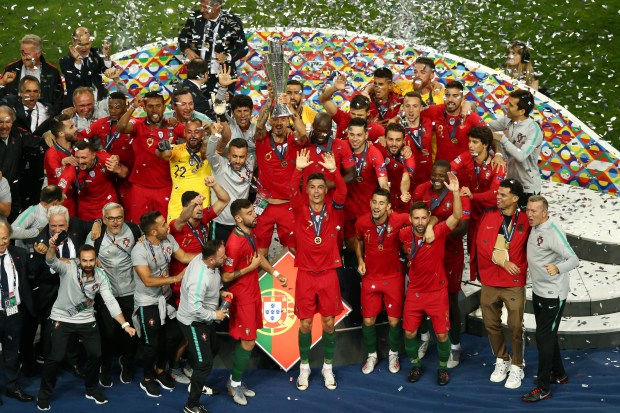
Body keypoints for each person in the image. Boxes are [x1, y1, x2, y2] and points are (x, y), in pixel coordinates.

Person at [34, 241, 136, 410]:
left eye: (91, 260)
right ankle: (44, 393)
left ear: (96, 260)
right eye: (84, 260)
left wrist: (125, 324)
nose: (88, 264)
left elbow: (110, 301)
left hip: (86, 319)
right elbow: (51, 261)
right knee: (56, 357)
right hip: (62, 318)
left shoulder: (101, 276)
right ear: (78, 260)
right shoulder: (68, 268)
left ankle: (91, 388)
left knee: (96, 355)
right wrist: (52, 248)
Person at [221, 199, 287, 405]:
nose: (254, 215)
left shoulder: (249, 234)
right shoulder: (233, 243)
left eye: (253, 211)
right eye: (249, 213)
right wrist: (252, 268)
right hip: (242, 299)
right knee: (248, 341)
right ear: (238, 218)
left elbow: (258, 257)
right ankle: (234, 383)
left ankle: (237, 381)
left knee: (249, 340)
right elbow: (226, 277)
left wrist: (276, 273)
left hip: (253, 294)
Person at [290, 149, 346, 391]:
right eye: (311, 187)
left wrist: (334, 171)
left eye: (319, 187)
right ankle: (304, 368)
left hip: (328, 274)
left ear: (325, 190)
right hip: (305, 274)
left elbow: (342, 191)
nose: (315, 191)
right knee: (304, 324)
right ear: (308, 190)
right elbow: (292, 191)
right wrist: (298, 170)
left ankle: (327, 367)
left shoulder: (333, 210)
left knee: (329, 322)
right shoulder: (300, 209)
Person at [399, 172, 462, 386]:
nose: (419, 222)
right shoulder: (404, 235)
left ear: (428, 217)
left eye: (423, 218)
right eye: (415, 218)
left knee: (442, 336)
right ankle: (415, 365)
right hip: (415, 293)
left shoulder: (438, 231)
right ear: (410, 219)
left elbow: (456, 217)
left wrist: (455, 194)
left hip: (437, 292)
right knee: (409, 331)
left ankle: (442, 369)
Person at [167, 180, 230, 385]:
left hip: (205, 284)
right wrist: (207, 259)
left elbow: (225, 199)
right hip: (182, 287)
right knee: (187, 333)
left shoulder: (203, 220)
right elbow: (183, 256)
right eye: (195, 207)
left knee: (201, 332)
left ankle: (188, 363)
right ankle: (174, 367)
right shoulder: (177, 226)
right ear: (186, 208)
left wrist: (213, 185)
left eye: (201, 206)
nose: (200, 210)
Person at [472, 179, 530, 390]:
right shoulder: (488, 215)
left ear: (515, 198)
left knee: (515, 326)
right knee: (491, 324)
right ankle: (502, 359)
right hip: (490, 279)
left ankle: (517, 364)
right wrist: (503, 261)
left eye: (503, 195)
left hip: (513, 282)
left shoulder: (525, 219)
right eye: (498, 193)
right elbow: (481, 245)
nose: (498, 197)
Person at [131, 211, 196, 398]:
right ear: (152, 231)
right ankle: (147, 378)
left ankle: (160, 370)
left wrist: (206, 256)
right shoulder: (139, 250)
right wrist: (175, 278)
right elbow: (147, 281)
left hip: (165, 298)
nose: (167, 226)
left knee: (174, 335)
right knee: (152, 343)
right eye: (163, 224)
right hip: (147, 302)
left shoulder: (168, 239)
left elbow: (183, 257)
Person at [521, 195, 579, 402]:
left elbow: (574, 259)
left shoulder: (553, 231)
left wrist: (558, 267)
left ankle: (543, 387)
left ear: (545, 212)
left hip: (553, 295)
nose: (529, 214)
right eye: (528, 210)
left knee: (544, 338)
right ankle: (559, 374)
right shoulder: (535, 225)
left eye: (534, 211)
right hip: (539, 290)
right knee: (547, 335)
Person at [413, 160, 471, 367]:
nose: (437, 179)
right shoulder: (421, 189)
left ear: (449, 176)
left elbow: (463, 227)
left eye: (441, 175)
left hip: (450, 253)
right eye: (434, 175)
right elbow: (415, 219)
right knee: (420, 296)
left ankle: (455, 346)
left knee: (451, 298)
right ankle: (424, 338)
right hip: (425, 253)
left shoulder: (460, 195)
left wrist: (437, 230)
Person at [354, 189, 410, 375]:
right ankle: (372, 355)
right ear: (370, 203)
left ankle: (393, 354)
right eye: (374, 202)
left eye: (381, 203)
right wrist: (360, 260)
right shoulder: (362, 222)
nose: (376, 207)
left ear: (389, 207)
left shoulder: (399, 219)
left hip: (393, 277)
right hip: (371, 277)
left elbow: (422, 219)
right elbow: (357, 240)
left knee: (394, 320)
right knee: (368, 320)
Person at [87, 202, 142, 387]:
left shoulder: (135, 231)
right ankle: (106, 366)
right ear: (104, 219)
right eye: (110, 218)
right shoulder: (96, 234)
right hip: (106, 293)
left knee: (131, 333)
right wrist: (94, 264)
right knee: (108, 334)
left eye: (119, 217)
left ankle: (127, 363)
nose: (115, 222)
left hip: (130, 290)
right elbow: (86, 258)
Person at [177, 240, 231, 413]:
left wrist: (221, 291)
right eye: (222, 257)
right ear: (211, 260)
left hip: (204, 319)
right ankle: (191, 405)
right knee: (204, 362)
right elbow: (195, 308)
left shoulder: (205, 259)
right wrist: (215, 315)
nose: (226, 258)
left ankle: (194, 378)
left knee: (213, 347)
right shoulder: (199, 279)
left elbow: (213, 283)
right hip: (194, 322)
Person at [116, 92, 185, 223]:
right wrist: (132, 107)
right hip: (140, 186)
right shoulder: (138, 124)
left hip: (165, 186)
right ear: (144, 107)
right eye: (150, 106)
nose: (154, 110)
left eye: (158, 106)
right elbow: (121, 127)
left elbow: (194, 137)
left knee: (164, 225)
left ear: (164, 108)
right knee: (139, 224)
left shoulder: (173, 126)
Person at [253, 96, 307, 256]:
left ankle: (292, 281)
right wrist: (270, 101)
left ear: (288, 120)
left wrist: (289, 106)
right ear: (270, 120)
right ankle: (258, 280)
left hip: (287, 204)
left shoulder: (294, 140)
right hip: (262, 203)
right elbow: (259, 125)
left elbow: (303, 135)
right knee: (258, 249)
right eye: (275, 119)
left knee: (292, 248)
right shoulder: (262, 139)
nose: (278, 123)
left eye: (282, 119)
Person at [178, 0, 248, 96]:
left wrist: (227, 57)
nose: (202, 10)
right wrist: (187, 50)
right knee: (196, 106)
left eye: (205, 7)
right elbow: (183, 37)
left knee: (221, 108)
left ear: (217, 5)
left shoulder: (232, 20)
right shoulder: (195, 17)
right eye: (201, 6)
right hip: (196, 74)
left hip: (222, 76)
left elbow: (243, 47)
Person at [0, 218, 35, 405]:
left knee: (13, 353)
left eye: (4, 238)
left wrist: (44, 255)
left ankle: (12, 387)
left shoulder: (19, 253)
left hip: (14, 313)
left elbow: (34, 274)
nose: (1, 242)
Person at [489, 89, 543, 208]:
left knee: (524, 224)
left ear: (522, 111)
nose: (506, 106)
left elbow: (521, 156)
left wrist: (502, 139)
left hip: (528, 187)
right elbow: (486, 127)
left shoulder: (533, 129)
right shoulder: (508, 120)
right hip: (511, 183)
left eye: (511, 105)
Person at [344, 118, 388, 249]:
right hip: (347, 210)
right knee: (350, 246)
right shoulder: (342, 148)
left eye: (359, 135)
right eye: (352, 135)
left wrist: (384, 208)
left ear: (366, 135)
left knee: (368, 246)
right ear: (347, 134)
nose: (355, 139)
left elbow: (384, 184)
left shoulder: (374, 153)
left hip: (367, 210)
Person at [156, 118, 212, 222]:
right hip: (178, 206)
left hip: (201, 204)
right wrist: (161, 148)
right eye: (189, 132)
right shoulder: (177, 149)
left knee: (199, 237)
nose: (193, 135)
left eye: (197, 132)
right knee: (175, 236)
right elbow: (163, 155)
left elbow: (224, 141)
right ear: (185, 133)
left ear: (203, 133)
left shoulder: (208, 150)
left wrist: (213, 132)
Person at [57, 140, 128, 221]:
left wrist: (118, 169)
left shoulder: (105, 159)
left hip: (109, 207)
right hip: (86, 212)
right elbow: (59, 190)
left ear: (93, 155)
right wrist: (60, 194)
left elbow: (125, 173)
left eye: (84, 157)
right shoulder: (72, 167)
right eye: (77, 157)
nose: (80, 161)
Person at [0, 34, 63, 116]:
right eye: (23, 54)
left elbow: (58, 100)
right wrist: (2, 83)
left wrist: (48, 117)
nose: (24, 58)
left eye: (28, 54)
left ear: (39, 53)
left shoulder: (52, 72)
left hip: (43, 120)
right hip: (15, 121)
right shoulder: (11, 69)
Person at [423, 80, 486, 164]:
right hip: (440, 169)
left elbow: (489, 135)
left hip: (464, 171)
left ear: (462, 98)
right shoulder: (434, 110)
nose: (450, 99)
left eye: (455, 96)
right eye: (447, 95)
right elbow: (414, 111)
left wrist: (498, 154)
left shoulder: (470, 116)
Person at [206, 137, 255, 242]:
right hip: (220, 223)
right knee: (217, 256)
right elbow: (210, 153)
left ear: (246, 156)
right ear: (228, 155)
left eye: (241, 157)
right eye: (234, 156)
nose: (237, 161)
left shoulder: (250, 165)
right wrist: (215, 135)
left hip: (241, 223)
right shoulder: (220, 165)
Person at [0, 105, 43, 221]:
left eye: (7, 122)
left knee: (12, 229)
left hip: (14, 192)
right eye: (0, 122)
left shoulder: (18, 134)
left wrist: (48, 134)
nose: (4, 126)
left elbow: (36, 142)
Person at [319, 74, 385, 142]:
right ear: (349, 110)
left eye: (360, 115)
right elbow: (323, 100)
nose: (356, 117)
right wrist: (334, 88)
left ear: (368, 113)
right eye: (353, 113)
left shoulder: (377, 130)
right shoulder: (342, 118)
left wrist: (367, 90)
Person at [59, 27, 113, 108]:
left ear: (91, 41)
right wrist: (78, 62)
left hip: (100, 100)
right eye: (80, 44)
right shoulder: (65, 61)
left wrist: (106, 57)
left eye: (87, 44)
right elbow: (75, 82)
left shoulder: (96, 52)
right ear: (73, 41)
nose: (84, 48)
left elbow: (108, 71)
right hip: (79, 105)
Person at [44, 114, 79, 215]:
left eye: (74, 125)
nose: (76, 128)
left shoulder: (76, 144)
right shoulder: (52, 155)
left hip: (80, 200)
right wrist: (64, 165)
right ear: (61, 133)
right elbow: (63, 182)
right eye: (71, 127)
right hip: (63, 203)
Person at [376, 123, 415, 213]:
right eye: (390, 139)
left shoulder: (407, 155)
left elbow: (406, 177)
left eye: (398, 140)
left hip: (401, 202)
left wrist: (404, 192)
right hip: (381, 202)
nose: (394, 144)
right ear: (384, 138)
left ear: (403, 140)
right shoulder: (377, 148)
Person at [399, 92, 434, 193]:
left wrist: (467, 104)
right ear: (403, 108)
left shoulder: (428, 122)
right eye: (407, 106)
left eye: (415, 106)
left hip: (428, 178)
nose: (411, 110)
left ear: (421, 108)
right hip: (407, 179)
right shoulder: (397, 128)